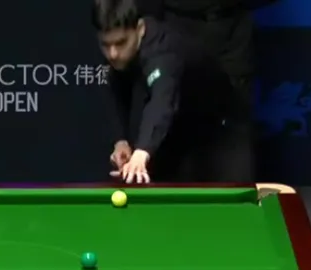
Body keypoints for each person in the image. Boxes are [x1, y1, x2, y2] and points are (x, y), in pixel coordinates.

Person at [94, 0, 247, 184]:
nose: (113, 54)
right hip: (178, 129)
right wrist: (121, 141)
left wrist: (142, 151)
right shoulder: (119, 52)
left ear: (140, 29)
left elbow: (162, 101)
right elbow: (117, 93)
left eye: (120, 43)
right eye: (105, 44)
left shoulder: (163, 50)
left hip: (222, 128)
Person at [139, 0, 273, 183]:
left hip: (232, 32)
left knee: (234, 123)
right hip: (177, 28)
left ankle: (238, 194)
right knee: (175, 118)